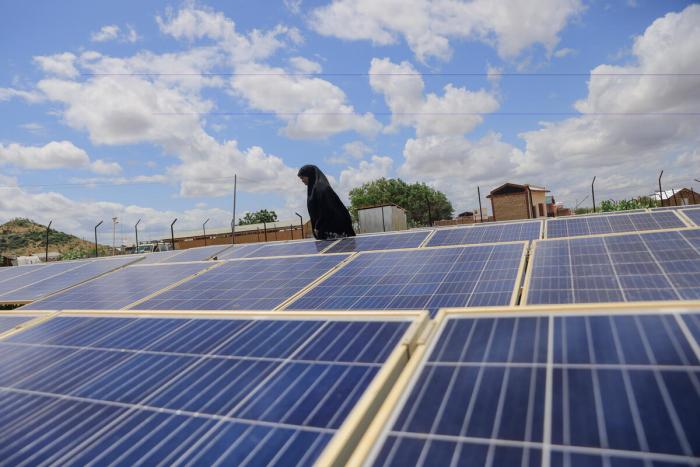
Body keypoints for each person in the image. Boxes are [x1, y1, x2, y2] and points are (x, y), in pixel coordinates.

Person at [298, 164, 356, 240]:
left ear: (309, 175)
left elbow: (326, 210)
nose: (302, 180)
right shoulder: (314, 189)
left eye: (302, 177)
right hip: (326, 232)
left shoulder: (322, 189)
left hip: (335, 231)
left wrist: (318, 226)